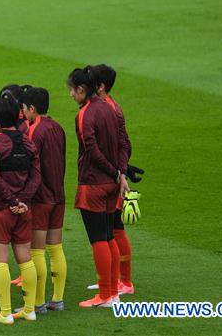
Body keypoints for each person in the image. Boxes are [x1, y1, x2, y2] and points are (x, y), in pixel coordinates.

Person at [68, 66, 130, 308]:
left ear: (82, 89)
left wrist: (115, 172)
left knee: (99, 239)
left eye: (72, 90)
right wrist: (121, 173)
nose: (71, 95)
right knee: (108, 235)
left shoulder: (85, 114)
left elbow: (92, 151)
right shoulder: (111, 108)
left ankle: (105, 295)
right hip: (112, 184)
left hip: (93, 183)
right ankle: (113, 291)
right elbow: (124, 143)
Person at [0, 94, 41, 324]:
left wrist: (11, 201)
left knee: (0, 260)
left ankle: (5, 312)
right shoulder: (28, 142)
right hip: (24, 209)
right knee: (25, 259)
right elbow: (36, 176)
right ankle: (29, 309)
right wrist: (22, 201)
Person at [90, 64, 138, 296]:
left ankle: (124, 281)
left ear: (100, 86)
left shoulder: (110, 109)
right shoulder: (106, 106)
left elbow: (124, 144)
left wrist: (121, 172)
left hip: (111, 178)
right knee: (111, 229)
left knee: (115, 229)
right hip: (113, 175)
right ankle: (114, 279)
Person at [21, 86, 68, 313]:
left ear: (32, 108)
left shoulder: (33, 131)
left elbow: (30, 167)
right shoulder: (58, 128)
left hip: (40, 198)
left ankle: (38, 302)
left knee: (36, 251)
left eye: (24, 109)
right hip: (59, 195)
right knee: (56, 248)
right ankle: (57, 299)